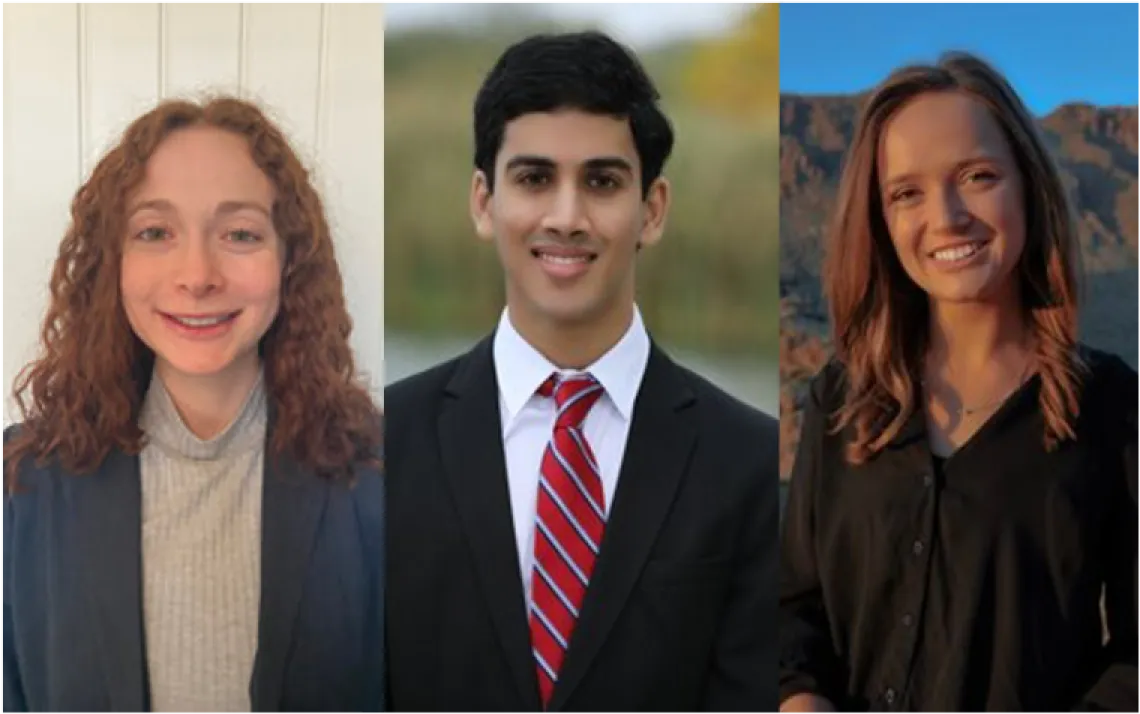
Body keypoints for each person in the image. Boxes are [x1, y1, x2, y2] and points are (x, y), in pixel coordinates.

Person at [384, 30, 778, 714]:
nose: (567, 217)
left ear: (651, 211)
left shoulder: (749, 461)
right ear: (484, 202)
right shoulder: (382, 446)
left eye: (601, 181)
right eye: (535, 178)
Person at [779, 51, 1140, 713]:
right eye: (906, 192)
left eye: (977, 176)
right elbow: (794, 606)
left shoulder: (1112, 408)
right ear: (882, 222)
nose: (945, 217)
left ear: (1028, 186)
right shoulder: (841, 398)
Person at [0, 96, 384, 713]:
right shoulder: (20, 486)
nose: (198, 274)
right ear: (112, 265)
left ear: (290, 261)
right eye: (155, 232)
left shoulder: (383, 479)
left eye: (239, 234)